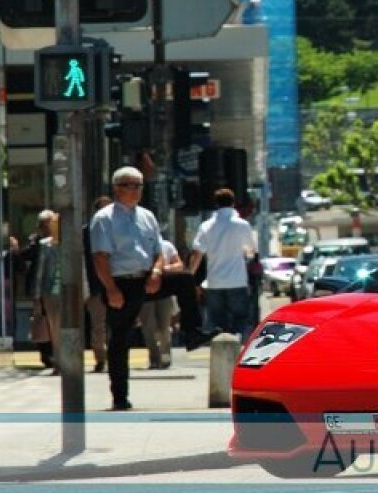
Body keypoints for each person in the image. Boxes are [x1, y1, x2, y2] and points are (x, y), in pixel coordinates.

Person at [90, 166, 214, 411]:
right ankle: (120, 396)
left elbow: (158, 250)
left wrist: (157, 272)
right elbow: (100, 258)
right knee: (119, 339)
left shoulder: (146, 216)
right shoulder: (104, 219)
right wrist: (111, 289)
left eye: (139, 186)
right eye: (130, 185)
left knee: (184, 280)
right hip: (121, 283)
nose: (135, 191)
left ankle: (192, 332)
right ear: (117, 188)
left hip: (147, 277)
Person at [188, 187, 258, 341]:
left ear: (216, 204)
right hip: (237, 280)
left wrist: (189, 277)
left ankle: (220, 350)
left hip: (214, 282)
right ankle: (238, 348)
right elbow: (251, 250)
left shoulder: (206, 226)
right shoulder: (242, 225)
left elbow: (197, 253)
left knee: (216, 320)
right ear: (233, 203)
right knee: (240, 318)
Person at [139, 235, 183, 369]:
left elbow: (179, 265)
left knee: (164, 326)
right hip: (146, 292)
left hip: (165, 292)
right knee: (148, 326)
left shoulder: (167, 246)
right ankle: (154, 358)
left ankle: (165, 357)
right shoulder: (139, 246)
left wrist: (165, 269)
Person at [83, 196, 112, 374]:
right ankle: (101, 359)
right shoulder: (86, 232)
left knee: (118, 325)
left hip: (120, 284)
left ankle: (115, 358)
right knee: (98, 326)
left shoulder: (120, 229)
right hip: (96, 288)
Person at [32, 210, 61, 375]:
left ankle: (71, 361)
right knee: (55, 329)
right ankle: (58, 363)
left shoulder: (72, 243)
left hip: (71, 292)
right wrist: (37, 298)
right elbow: (39, 273)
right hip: (51, 293)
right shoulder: (45, 244)